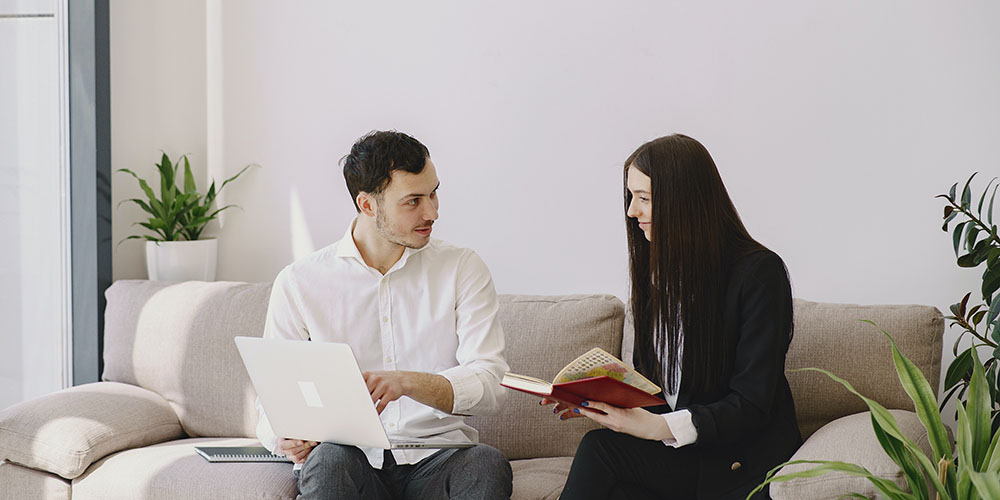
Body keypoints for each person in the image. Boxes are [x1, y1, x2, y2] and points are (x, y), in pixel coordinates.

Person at [255, 130, 513, 500]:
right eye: (413, 201)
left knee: (485, 463)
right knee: (329, 462)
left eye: (434, 192)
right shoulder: (300, 282)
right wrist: (284, 436)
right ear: (367, 205)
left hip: (439, 457)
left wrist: (407, 382)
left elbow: (490, 385)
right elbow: (271, 401)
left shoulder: (462, 268)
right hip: (350, 459)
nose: (433, 212)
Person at [549, 134, 801, 499]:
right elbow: (660, 391)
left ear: (683, 203)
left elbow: (751, 404)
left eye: (645, 199)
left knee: (599, 455)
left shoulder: (759, 274)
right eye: (631, 197)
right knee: (602, 453)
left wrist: (657, 428)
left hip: (739, 460)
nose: (632, 211)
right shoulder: (656, 276)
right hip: (686, 455)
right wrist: (600, 400)